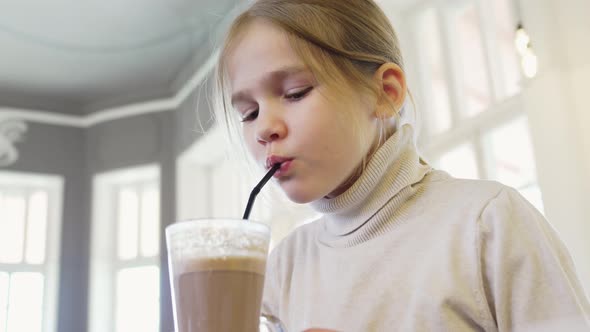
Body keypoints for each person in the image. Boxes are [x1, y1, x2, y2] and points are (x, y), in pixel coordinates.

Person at [213, 0, 590, 331]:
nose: (264, 128)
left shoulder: (487, 225)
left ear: (385, 93)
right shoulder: (283, 268)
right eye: (248, 113)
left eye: (295, 92)